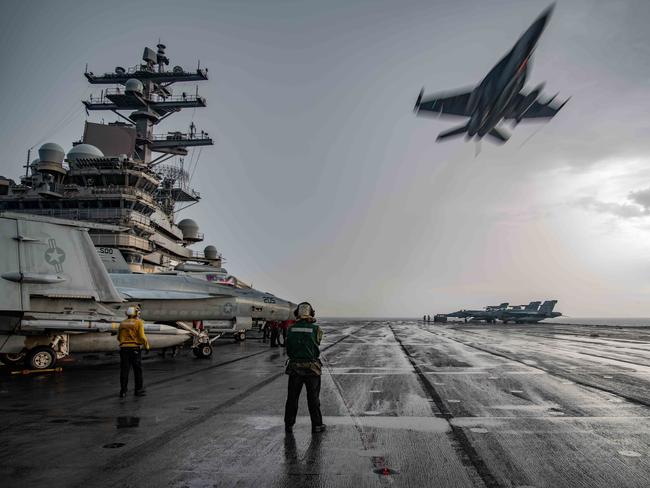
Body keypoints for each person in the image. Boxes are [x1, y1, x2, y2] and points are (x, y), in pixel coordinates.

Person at [284, 302, 326, 434]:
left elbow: (288, 347)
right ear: (311, 313)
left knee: (292, 398)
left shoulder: (290, 329)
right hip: (312, 369)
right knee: (313, 398)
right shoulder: (316, 329)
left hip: (295, 368)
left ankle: (289, 424)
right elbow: (317, 342)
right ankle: (317, 425)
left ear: (297, 313)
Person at [117, 306, 150, 398]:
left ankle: (123, 391)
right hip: (134, 349)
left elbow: (118, 337)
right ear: (136, 313)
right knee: (137, 370)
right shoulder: (138, 322)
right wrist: (147, 346)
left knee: (124, 370)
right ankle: (138, 390)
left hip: (123, 349)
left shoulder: (122, 323)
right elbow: (142, 336)